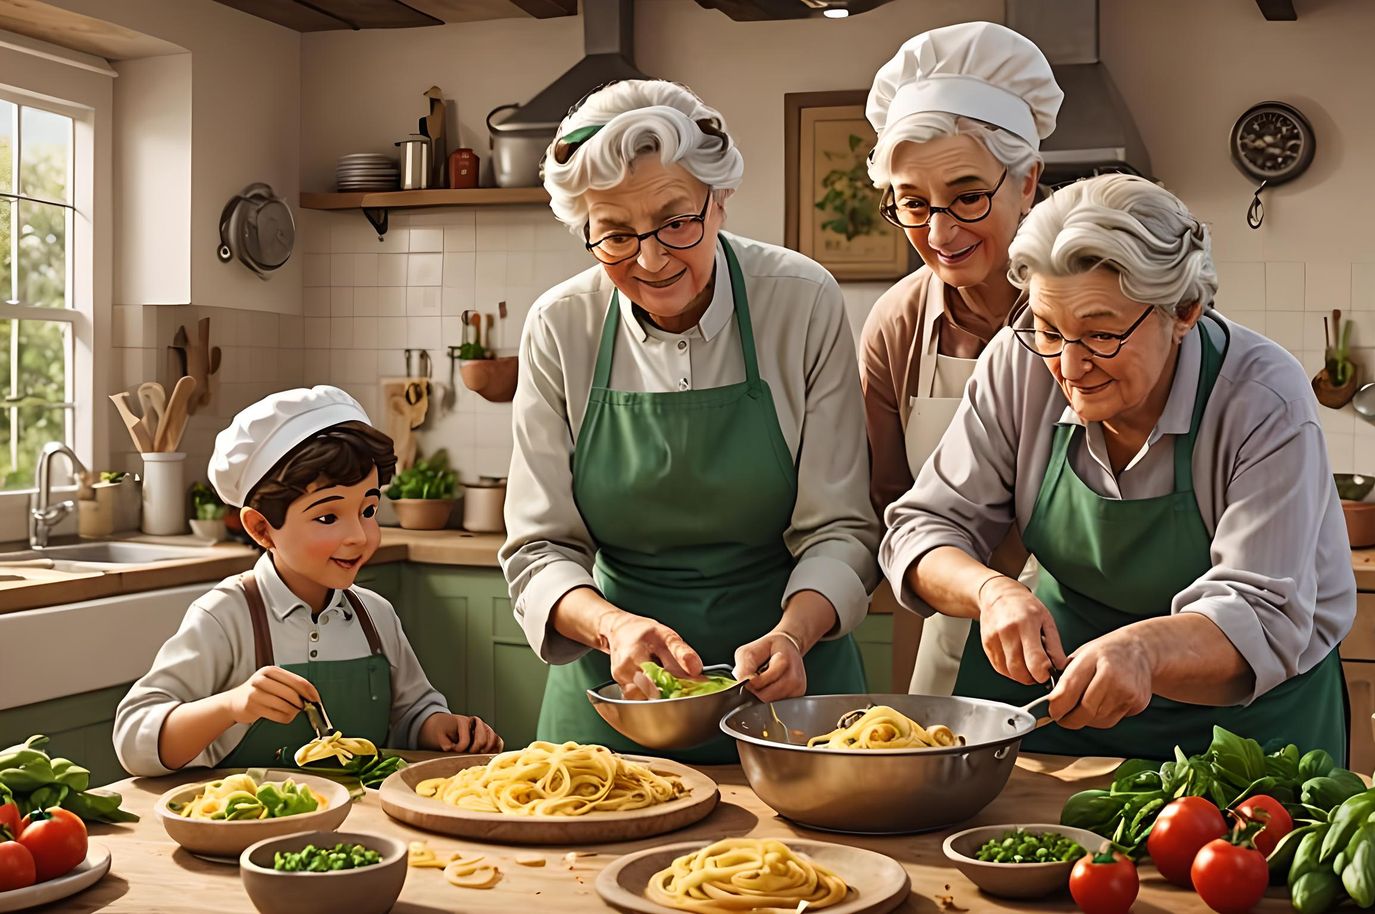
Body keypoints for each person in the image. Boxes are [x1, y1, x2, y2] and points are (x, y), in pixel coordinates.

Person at [881, 175, 1354, 760]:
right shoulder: (1018, 361)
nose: (1070, 366)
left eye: (1101, 335)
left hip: (1245, 736)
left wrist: (1143, 652)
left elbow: (1262, 612)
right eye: (1049, 330)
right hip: (1057, 706)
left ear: (1183, 312)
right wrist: (990, 591)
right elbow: (921, 530)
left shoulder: (1262, 397)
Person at [500, 80, 878, 762]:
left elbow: (842, 527)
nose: (651, 259)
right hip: (616, 700)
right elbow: (538, 550)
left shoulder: (800, 301)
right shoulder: (561, 326)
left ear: (720, 199)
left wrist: (792, 636)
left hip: (787, 694)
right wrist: (613, 628)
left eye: (677, 221)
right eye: (614, 234)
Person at [114, 386, 501, 775]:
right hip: (253, 827)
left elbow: (412, 713)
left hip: (361, 824)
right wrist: (231, 705)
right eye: (328, 517)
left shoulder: (375, 615)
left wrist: (441, 728)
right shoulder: (225, 617)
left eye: (368, 509)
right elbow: (134, 740)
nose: (359, 536)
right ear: (262, 528)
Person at [859, 21, 1061, 694]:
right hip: (950, 634)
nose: (940, 234)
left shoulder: (1098, 306)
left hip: (1095, 633)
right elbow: (887, 502)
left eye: (968, 197)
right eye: (913, 205)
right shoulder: (898, 324)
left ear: (1027, 181)